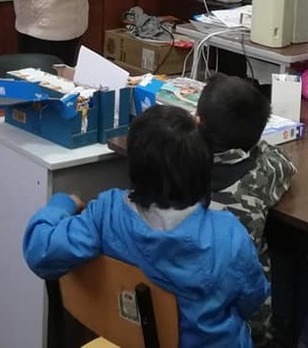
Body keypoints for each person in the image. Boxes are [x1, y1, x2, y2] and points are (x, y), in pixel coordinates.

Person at [24, 105, 268, 347]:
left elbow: (40, 250)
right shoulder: (228, 235)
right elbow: (253, 299)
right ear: (204, 165)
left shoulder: (107, 214)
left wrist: (62, 202)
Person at [194, 73, 296, 346]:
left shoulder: (173, 162)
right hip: (240, 324)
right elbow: (284, 162)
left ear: (197, 121)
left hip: (179, 312)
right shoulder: (259, 176)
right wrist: (251, 142)